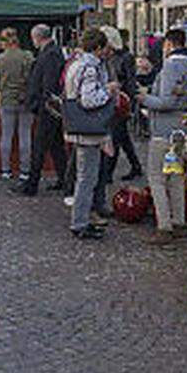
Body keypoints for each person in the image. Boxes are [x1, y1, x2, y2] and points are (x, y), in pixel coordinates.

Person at [137, 28, 187, 245]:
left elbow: (166, 102)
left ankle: (164, 226)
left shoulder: (171, 65)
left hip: (164, 130)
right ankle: (179, 221)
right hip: (182, 129)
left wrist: (144, 98)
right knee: (176, 177)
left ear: (169, 45)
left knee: (157, 178)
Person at [62, 28, 115, 240]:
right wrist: (108, 91)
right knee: (87, 177)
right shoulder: (90, 68)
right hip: (89, 129)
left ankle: (81, 219)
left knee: (84, 175)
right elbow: (89, 100)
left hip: (78, 126)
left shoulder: (75, 64)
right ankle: (80, 222)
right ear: (98, 48)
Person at [15, 24, 68, 196]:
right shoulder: (51, 52)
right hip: (49, 106)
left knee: (39, 146)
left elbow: (49, 83)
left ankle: (32, 184)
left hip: (48, 108)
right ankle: (64, 180)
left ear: (37, 37)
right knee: (56, 146)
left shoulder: (51, 54)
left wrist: (42, 103)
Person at [0, 27, 34, 181]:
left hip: (7, 99)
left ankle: (5, 170)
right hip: (25, 100)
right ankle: (25, 171)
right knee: (25, 136)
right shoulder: (28, 56)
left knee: (6, 135)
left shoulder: (0, 59)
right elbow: (33, 77)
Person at [102, 26, 144, 181]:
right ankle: (136, 166)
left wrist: (131, 103)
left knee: (116, 137)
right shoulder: (110, 57)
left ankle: (108, 173)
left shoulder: (125, 57)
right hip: (114, 100)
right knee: (122, 137)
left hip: (121, 101)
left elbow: (130, 81)